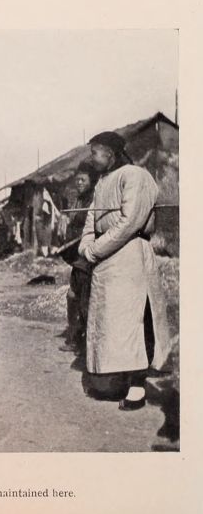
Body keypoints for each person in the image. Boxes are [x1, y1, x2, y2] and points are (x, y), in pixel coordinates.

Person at [78, 131, 173, 410]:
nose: (91, 157)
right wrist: (86, 245)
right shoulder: (103, 182)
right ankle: (116, 381)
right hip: (106, 264)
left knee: (134, 322)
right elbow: (90, 220)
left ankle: (137, 386)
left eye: (95, 151)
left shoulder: (135, 175)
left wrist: (96, 249)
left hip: (130, 257)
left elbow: (130, 221)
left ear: (111, 152)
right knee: (110, 324)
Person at [58, 163, 96, 354]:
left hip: (88, 256)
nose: (79, 183)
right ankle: (75, 338)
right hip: (77, 257)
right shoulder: (79, 200)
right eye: (77, 180)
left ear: (92, 181)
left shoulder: (94, 200)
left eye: (83, 180)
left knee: (82, 300)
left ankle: (82, 343)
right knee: (73, 297)